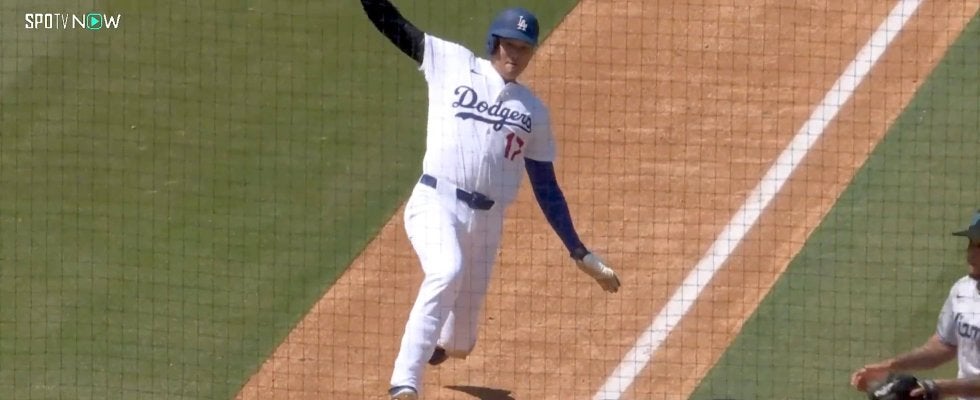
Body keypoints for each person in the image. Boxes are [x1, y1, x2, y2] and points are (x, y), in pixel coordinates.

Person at [359, 1, 623, 399]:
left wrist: (577, 248)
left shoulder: (533, 111)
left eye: (524, 48)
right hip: (435, 202)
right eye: (509, 45)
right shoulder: (452, 63)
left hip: (486, 225)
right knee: (446, 270)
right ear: (493, 43)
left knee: (461, 342)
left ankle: (436, 343)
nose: (515, 55)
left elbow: (546, 186)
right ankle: (404, 383)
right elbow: (393, 24)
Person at [851, 210, 980, 399]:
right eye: (971, 243)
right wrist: (890, 366)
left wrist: (937, 387)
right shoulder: (963, 290)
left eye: (979, 245)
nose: (971, 253)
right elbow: (942, 346)